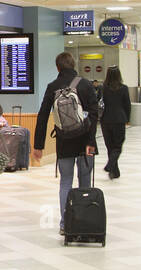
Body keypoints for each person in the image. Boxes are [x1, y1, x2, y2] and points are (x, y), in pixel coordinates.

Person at [31, 51, 100, 233]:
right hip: (86, 141)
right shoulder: (85, 85)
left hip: (64, 142)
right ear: (74, 65)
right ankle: (84, 223)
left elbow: (42, 116)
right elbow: (94, 113)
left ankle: (65, 224)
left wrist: (38, 146)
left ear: (58, 67)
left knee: (65, 182)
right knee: (85, 182)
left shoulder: (53, 86)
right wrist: (91, 141)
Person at [99, 67, 132, 179]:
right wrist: (127, 118)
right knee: (117, 146)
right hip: (119, 119)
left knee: (110, 146)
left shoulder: (103, 88)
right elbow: (127, 104)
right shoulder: (124, 88)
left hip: (105, 120)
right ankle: (110, 166)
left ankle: (114, 171)